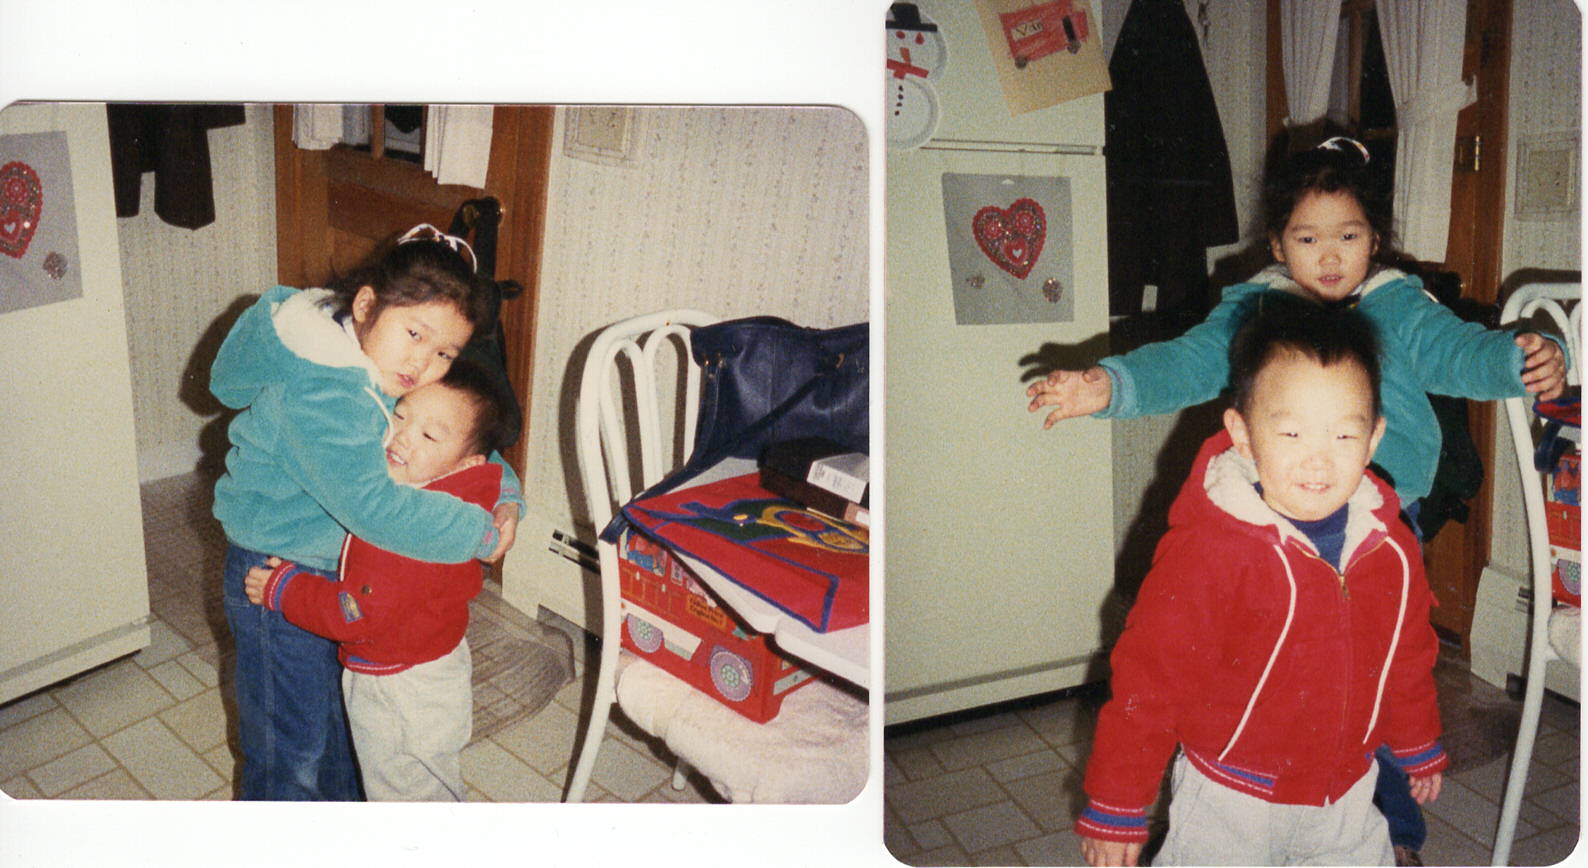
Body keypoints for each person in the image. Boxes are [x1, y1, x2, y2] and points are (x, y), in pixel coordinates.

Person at [1028, 134, 1566, 863]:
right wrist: (1108, 385)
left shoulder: (1397, 305)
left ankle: (1394, 833)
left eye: (1349, 236)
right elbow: (1186, 362)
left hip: (1381, 515)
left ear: (1375, 239)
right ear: (1279, 245)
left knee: (1368, 667)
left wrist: (1519, 359)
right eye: (1309, 238)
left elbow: (1458, 351)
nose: (1332, 256)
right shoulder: (1258, 312)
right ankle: (1248, 773)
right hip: (1268, 523)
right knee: (1282, 667)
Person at [1076, 296, 1446, 866]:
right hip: (1230, 796)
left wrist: (1417, 740)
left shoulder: (1390, 546)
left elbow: (1407, 652)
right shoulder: (1211, 549)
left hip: (1347, 790)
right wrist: (1117, 802)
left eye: (1343, 437)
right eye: (1291, 435)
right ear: (1244, 436)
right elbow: (1150, 678)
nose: (1318, 462)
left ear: (1373, 439)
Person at [210, 224, 525, 801]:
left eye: (444, 352)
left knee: (344, 736)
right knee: (291, 750)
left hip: (340, 575)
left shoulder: (389, 364)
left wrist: (505, 494)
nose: (423, 363)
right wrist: (476, 532)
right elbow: (375, 509)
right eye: (415, 333)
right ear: (365, 305)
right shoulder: (320, 391)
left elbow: (461, 431)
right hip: (278, 570)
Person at [243, 362, 514, 801]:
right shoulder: (452, 498)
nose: (403, 436)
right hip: (430, 666)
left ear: (467, 463)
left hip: (399, 687)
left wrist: (285, 588)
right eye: (400, 416)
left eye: (429, 435)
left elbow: (355, 612)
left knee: (403, 790)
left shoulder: (410, 530)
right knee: (427, 776)